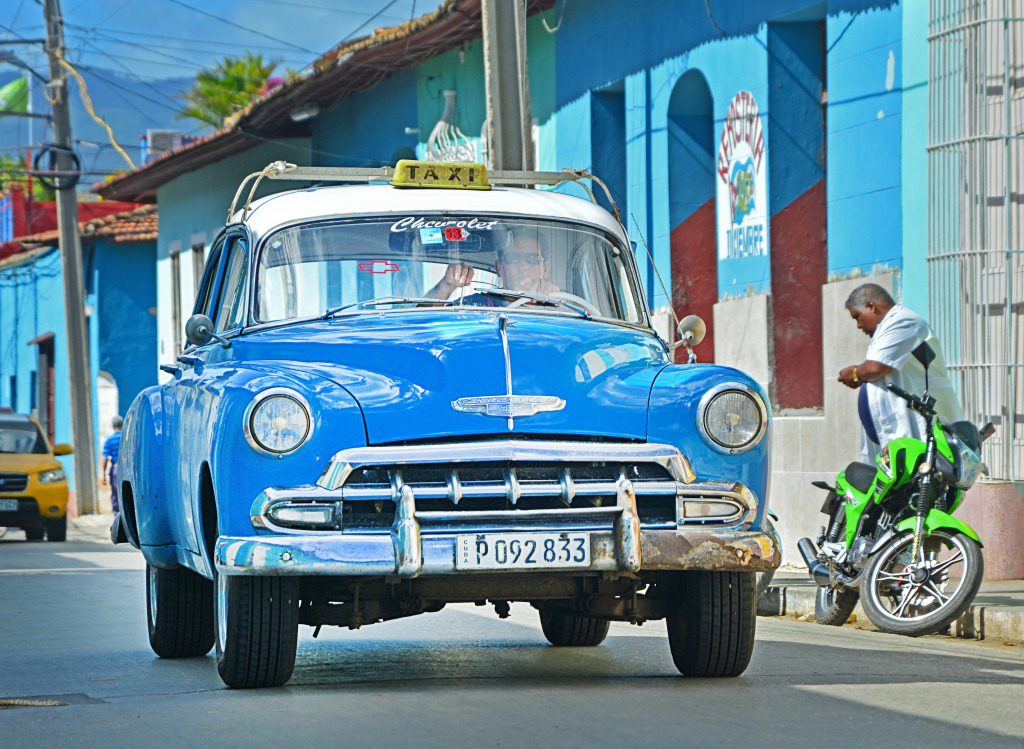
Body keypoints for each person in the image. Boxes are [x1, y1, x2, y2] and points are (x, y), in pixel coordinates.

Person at [838, 283, 963, 462]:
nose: (858, 325)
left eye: (857, 317)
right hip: (894, 436)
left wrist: (856, 373)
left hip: (918, 432)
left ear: (871, 306)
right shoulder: (887, 327)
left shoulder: (903, 321)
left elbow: (876, 368)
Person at [428, 235, 559, 302]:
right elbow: (422, 326)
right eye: (513, 258)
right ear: (499, 268)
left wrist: (558, 303)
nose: (523, 266)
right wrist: (446, 285)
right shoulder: (480, 305)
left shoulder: (563, 307)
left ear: (546, 269)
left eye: (532, 259)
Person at [101, 415, 123, 514]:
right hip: (128, 467)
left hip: (116, 467)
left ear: (113, 426)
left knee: (115, 493)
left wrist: (103, 475)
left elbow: (105, 458)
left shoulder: (109, 440)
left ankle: (117, 515)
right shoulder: (126, 437)